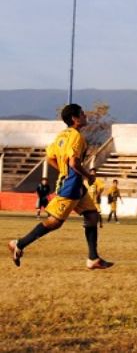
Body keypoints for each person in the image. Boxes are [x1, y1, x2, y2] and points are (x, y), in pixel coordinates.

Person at [7, 104, 113, 270]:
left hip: (74, 183)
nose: (85, 116)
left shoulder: (61, 136)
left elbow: (50, 158)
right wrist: (88, 175)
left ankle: (93, 258)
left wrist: (64, 171)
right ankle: (19, 243)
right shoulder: (76, 137)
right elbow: (73, 162)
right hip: (71, 185)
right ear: (74, 118)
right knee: (54, 222)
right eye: (82, 114)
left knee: (92, 216)